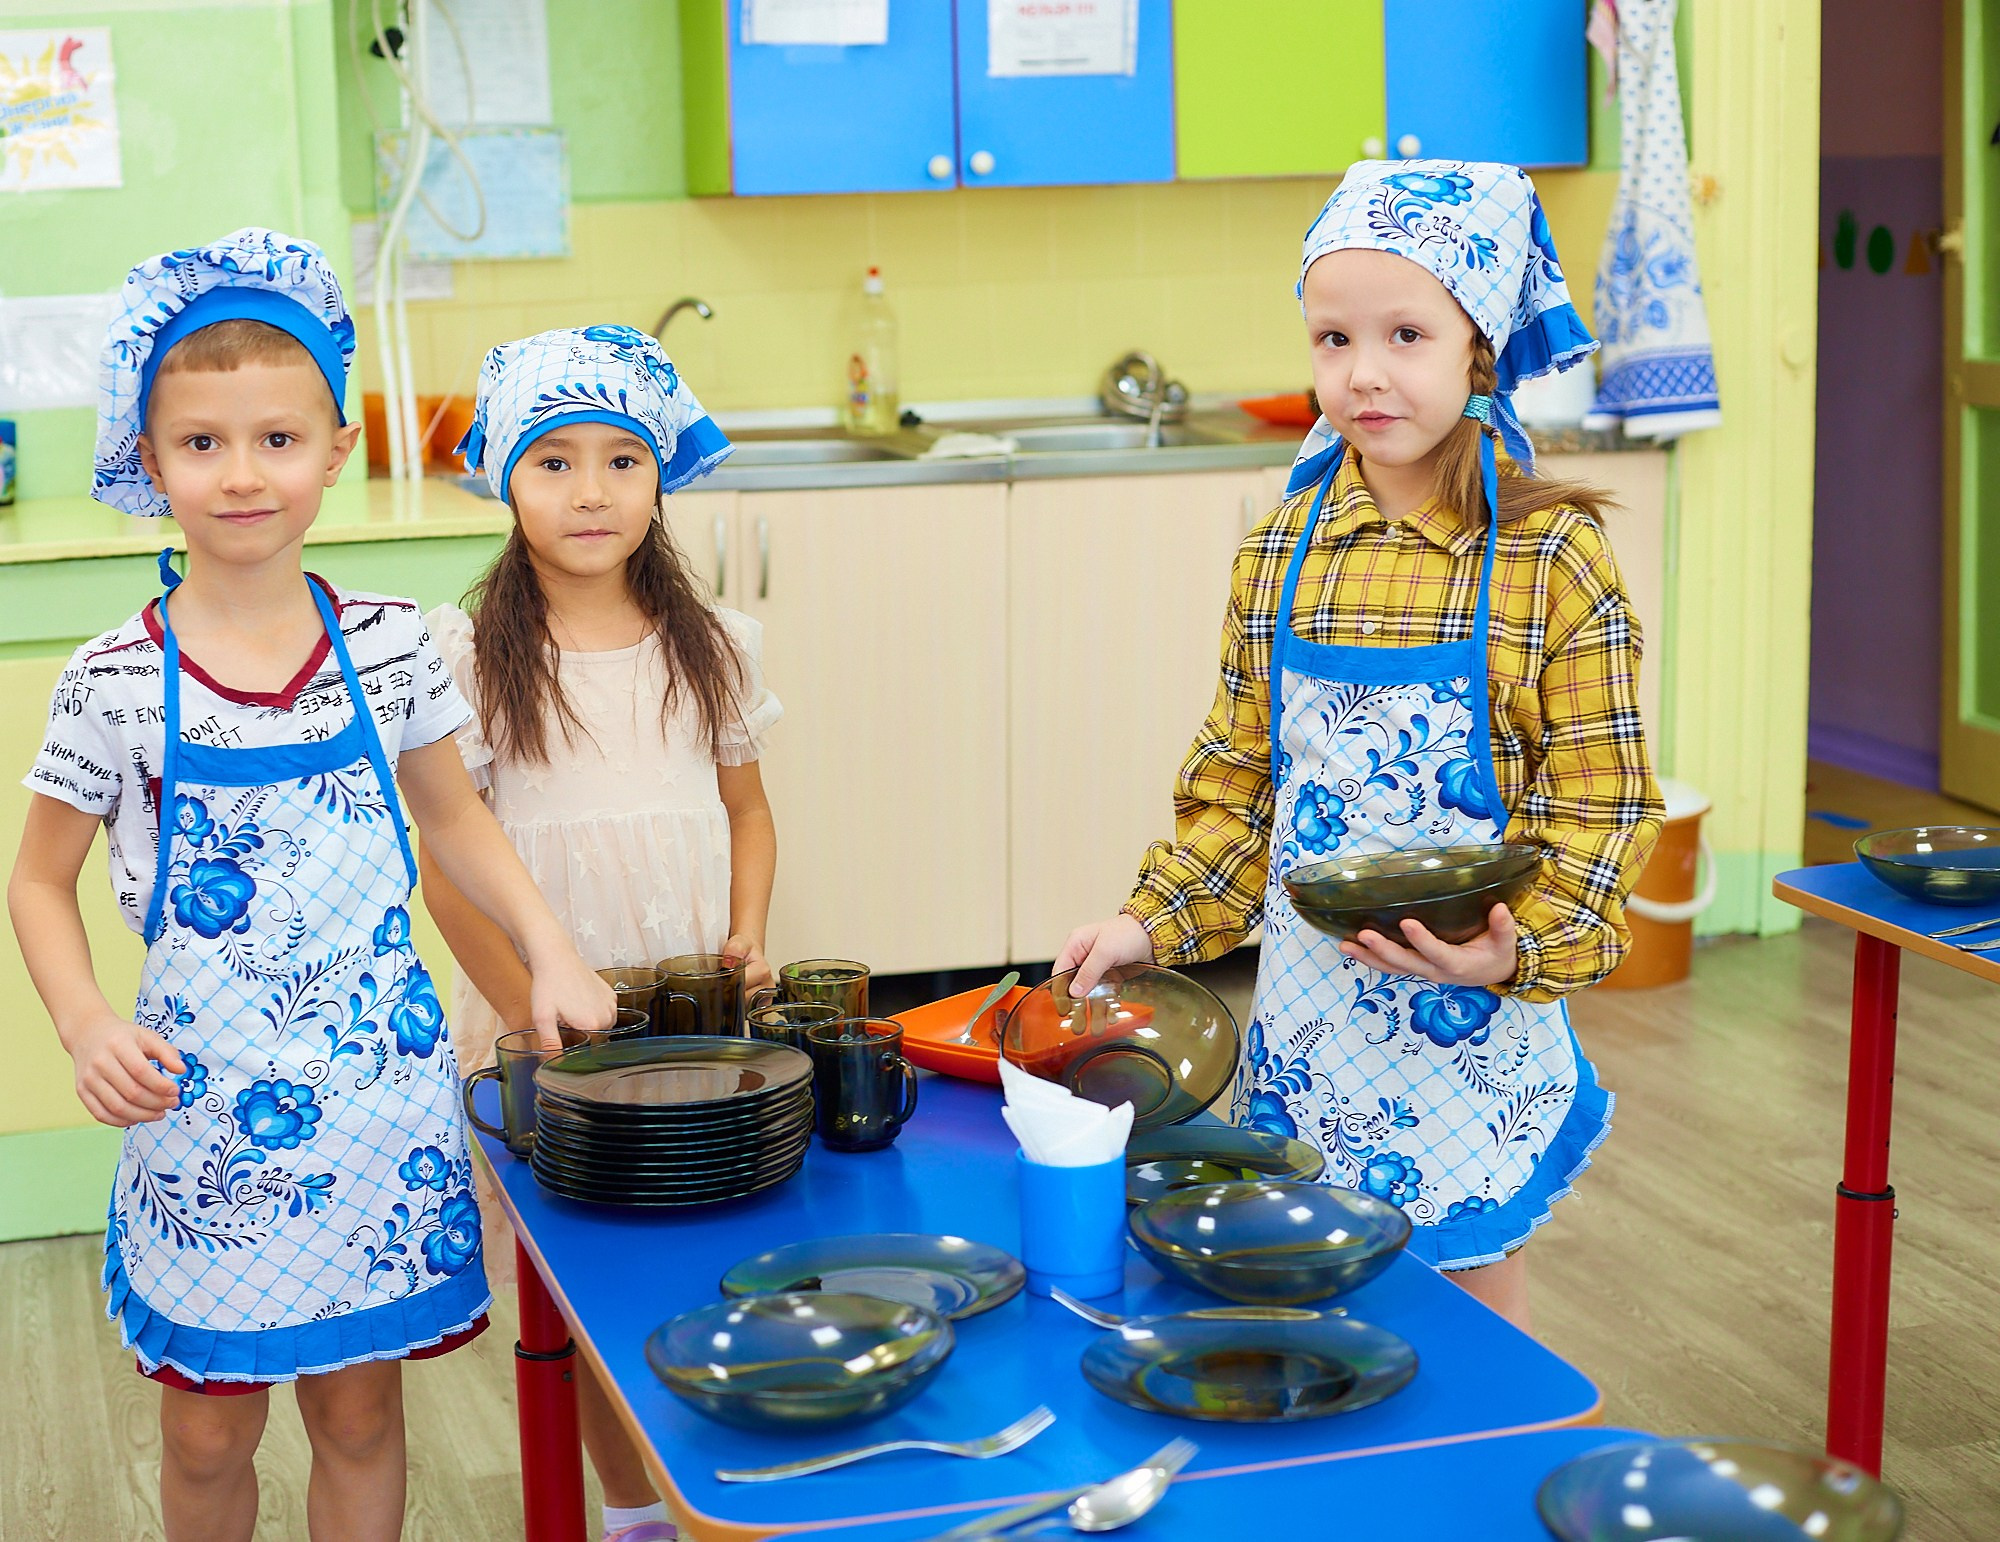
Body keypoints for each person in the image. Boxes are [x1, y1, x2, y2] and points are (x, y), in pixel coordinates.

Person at [7, 229, 615, 1542]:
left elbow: (455, 819)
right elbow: (39, 881)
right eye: (202, 442)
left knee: (359, 1417)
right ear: (148, 460)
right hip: (201, 1115)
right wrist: (86, 1024)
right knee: (208, 1429)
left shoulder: (392, 644)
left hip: (373, 1114)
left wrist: (549, 946)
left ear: (336, 449)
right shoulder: (112, 678)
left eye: (278, 439)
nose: (241, 474)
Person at [1057, 163, 1665, 1331]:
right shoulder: (1281, 546)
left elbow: (1602, 804)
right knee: (1319, 1300)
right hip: (1311, 1017)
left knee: (1469, 1313)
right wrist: (1151, 920)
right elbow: (1238, 785)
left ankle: (1483, 1493)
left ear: (1476, 349)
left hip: (1467, 1014)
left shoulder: (1550, 559)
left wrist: (1509, 952)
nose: (1362, 372)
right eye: (1332, 337)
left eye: (1404, 334)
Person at [422, 325, 778, 1542]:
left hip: (690, 1009)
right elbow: (447, 869)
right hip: (541, 1016)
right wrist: (524, 1010)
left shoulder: (710, 642)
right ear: (503, 481)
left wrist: (745, 935)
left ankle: (705, 1489)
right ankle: (630, 1513)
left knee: (706, 1246)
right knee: (575, 1290)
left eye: (622, 460)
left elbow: (746, 809)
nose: (590, 493)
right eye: (553, 462)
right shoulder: (464, 655)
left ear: (661, 476)